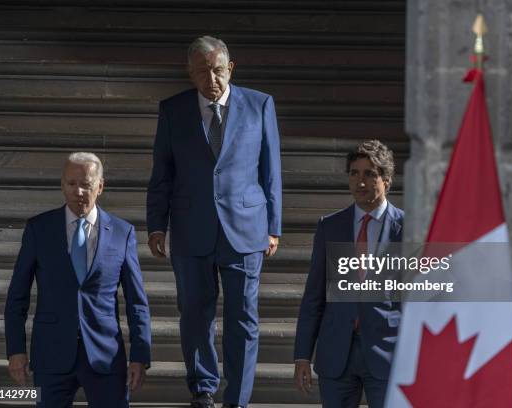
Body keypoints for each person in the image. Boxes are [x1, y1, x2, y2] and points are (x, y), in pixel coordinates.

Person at [146, 36, 282, 408]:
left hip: (246, 227)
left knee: (243, 319)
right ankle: (203, 389)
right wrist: (156, 224)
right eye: (203, 71)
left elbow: (271, 170)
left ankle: (237, 398)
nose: (212, 78)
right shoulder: (172, 110)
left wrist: (273, 226)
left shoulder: (260, 105)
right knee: (194, 314)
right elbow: (162, 173)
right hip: (190, 229)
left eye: (218, 69)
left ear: (231, 68)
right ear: (190, 74)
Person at [4, 152, 152, 408]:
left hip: (105, 356)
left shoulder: (122, 232)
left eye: (86, 184)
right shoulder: (39, 229)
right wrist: (16, 350)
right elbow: (18, 295)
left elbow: (137, 302)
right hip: (51, 353)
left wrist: (140, 355)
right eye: (71, 184)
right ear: (62, 185)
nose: (78, 191)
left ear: (100, 186)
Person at [293, 140, 403, 408]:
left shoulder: (407, 228)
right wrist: (302, 355)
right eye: (354, 173)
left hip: (389, 353)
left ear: (386, 181)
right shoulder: (330, 226)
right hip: (336, 352)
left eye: (369, 174)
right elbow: (314, 296)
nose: (360, 181)